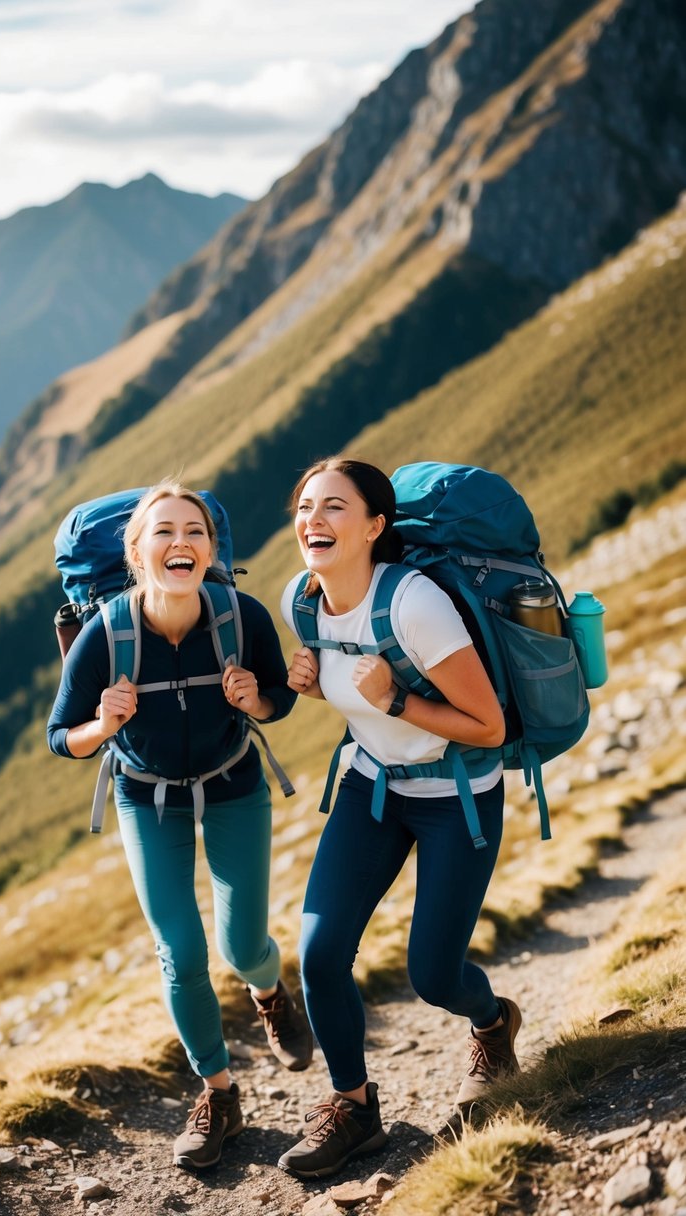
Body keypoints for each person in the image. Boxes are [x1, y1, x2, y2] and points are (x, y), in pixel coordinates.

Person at [47, 482, 312, 1172]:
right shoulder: (107, 632)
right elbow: (60, 737)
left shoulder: (239, 615)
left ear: (211, 549)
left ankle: (270, 993)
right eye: (162, 532)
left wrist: (259, 697)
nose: (180, 543)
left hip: (232, 786)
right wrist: (104, 724)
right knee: (180, 951)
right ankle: (218, 1093)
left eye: (193, 532)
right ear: (137, 553)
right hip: (146, 798)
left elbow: (279, 696)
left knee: (242, 942)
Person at [277, 456, 521, 1180]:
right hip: (371, 791)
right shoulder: (303, 598)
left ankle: (492, 1020)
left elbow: (487, 726)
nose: (312, 521)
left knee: (433, 976)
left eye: (333, 508)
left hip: (455, 799)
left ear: (375, 526)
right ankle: (353, 1109)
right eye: (304, 508)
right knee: (319, 957)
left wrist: (393, 702)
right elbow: (355, 689)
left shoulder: (414, 604)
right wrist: (318, 690)